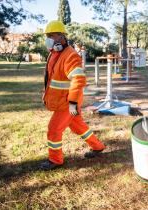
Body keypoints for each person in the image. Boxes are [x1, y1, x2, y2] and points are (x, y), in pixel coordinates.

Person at [40, 20, 106, 170]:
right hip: (63, 101)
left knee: (54, 129)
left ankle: (55, 160)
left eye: (51, 35)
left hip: (67, 102)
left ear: (61, 37)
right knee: (79, 127)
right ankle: (98, 146)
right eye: (47, 35)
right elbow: (50, 79)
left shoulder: (70, 55)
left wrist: (72, 103)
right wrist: (46, 95)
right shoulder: (55, 53)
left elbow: (78, 80)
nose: (48, 38)